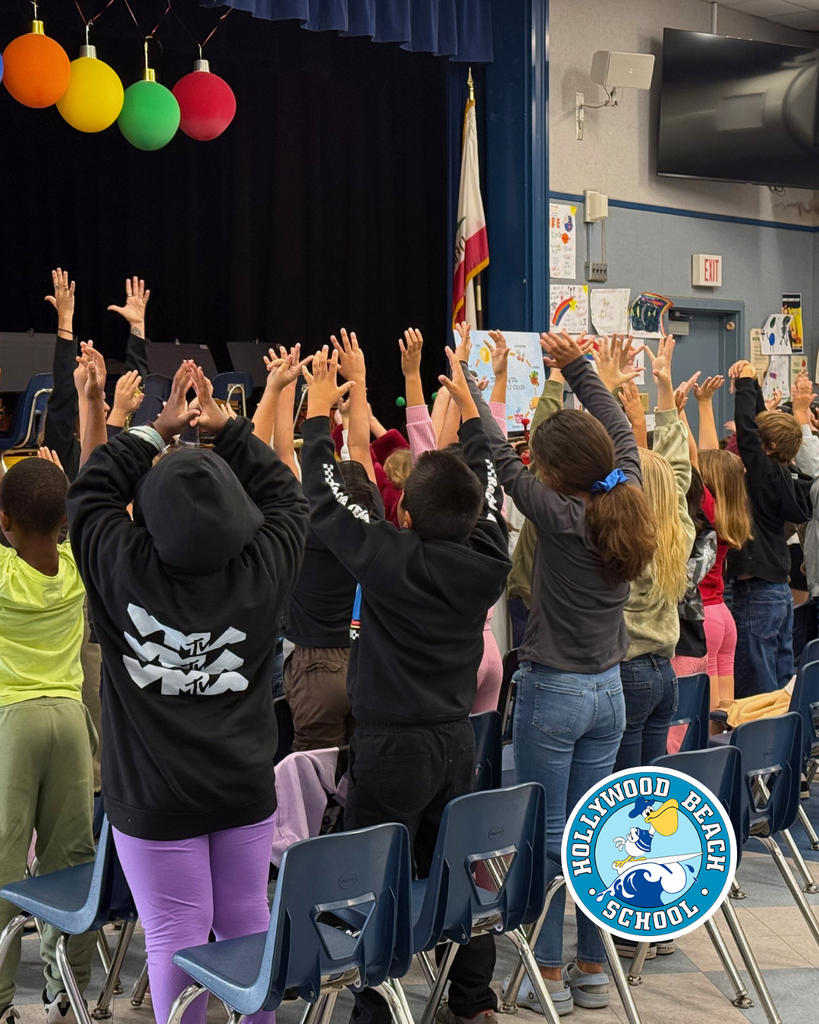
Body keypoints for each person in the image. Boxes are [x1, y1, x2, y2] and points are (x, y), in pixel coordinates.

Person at [66, 362, 309, 1024]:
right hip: (242, 788)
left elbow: (87, 495)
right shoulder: (266, 568)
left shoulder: (117, 565)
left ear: (147, 512)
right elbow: (289, 498)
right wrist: (226, 428)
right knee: (243, 921)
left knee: (175, 932)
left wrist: (152, 432)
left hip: (152, 797)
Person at [299, 340, 510, 1024]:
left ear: (407, 518)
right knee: (458, 866)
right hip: (455, 741)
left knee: (375, 879)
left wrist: (314, 420)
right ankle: (471, 1000)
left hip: (390, 748)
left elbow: (327, 500)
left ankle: (374, 1010)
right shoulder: (487, 558)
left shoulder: (388, 559)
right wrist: (475, 415)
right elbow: (488, 480)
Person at [468, 328, 655, 1015]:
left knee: (548, 841)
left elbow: (495, 454)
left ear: (553, 475)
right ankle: (591, 973)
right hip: (608, 691)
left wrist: (467, 393)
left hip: (554, 692)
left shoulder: (555, 512)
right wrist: (574, 365)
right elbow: (619, 435)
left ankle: (547, 975)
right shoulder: (622, 492)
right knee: (594, 836)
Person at [0, 457, 96, 1024]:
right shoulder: (75, 563)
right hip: (70, 718)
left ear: (4, 520)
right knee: (71, 862)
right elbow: (93, 495)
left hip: (13, 721)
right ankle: (71, 991)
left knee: (5, 864)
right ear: (64, 519)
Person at [615, 336, 693, 774]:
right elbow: (676, 470)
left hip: (628, 672)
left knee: (621, 796)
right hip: (665, 671)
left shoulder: (629, 536)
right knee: (650, 789)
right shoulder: (676, 529)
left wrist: (607, 389)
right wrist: (664, 391)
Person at [726, 360, 808, 697]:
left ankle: (758, 750)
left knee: (756, 688)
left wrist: (746, 384)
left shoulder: (764, 473)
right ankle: (782, 748)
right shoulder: (781, 475)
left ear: (769, 448)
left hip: (755, 595)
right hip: (777, 592)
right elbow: (759, 429)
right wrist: (756, 389)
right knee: (778, 680)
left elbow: (748, 432)